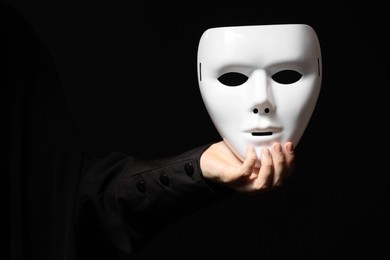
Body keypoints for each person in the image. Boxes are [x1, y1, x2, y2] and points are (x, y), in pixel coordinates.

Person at [4, 3, 295, 259]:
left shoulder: (10, 39)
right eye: (236, 77)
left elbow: (68, 205)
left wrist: (198, 167)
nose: (262, 99)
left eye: (285, 75)